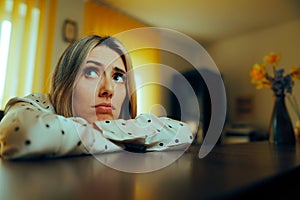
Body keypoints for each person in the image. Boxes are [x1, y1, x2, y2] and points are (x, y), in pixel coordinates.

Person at [0, 35, 193, 160]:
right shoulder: (38, 104)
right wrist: (126, 139)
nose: (108, 89)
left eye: (118, 77)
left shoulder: (125, 122)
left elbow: (183, 132)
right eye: (91, 72)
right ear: (65, 83)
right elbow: (24, 134)